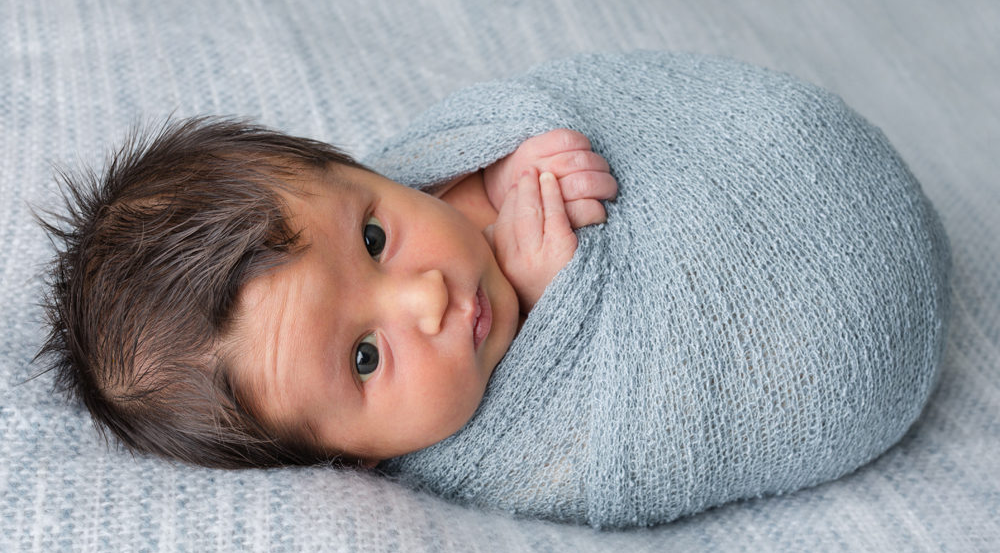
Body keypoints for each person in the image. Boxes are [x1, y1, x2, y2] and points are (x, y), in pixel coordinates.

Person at [36, 117, 617, 469]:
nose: (428, 297)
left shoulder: (443, 187)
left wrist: (500, 171)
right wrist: (551, 302)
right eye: (365, 358)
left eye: (373, 238)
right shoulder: (482, 455)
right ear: (355, 458)